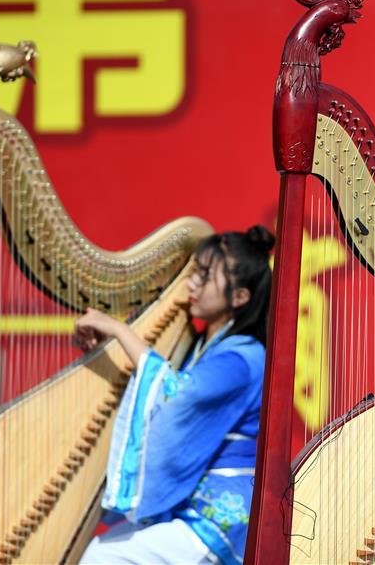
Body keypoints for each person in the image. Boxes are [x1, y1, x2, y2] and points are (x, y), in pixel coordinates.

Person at [76, 225, 274, 565]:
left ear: (240, 297)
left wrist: (120, 330)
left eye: (205, 277)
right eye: (195, 273)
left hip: (222, 518)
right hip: (191, 509)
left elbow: (176, 393)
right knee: (98, 548)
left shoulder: (243, 359)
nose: (192, 284)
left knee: (102, 557)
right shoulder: (207, 346)